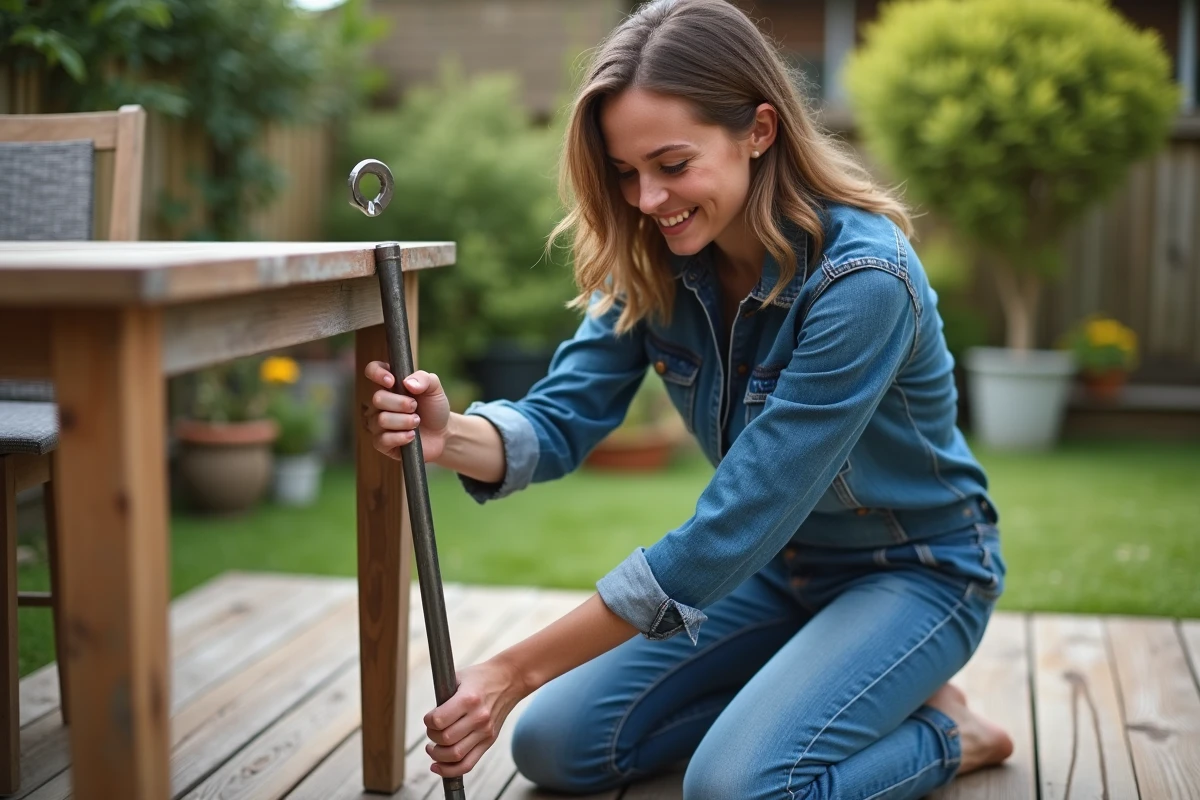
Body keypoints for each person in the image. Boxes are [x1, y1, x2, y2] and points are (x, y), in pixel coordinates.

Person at [364, 0, 1014, 796]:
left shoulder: (863, 284)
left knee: (736, 788)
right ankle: (813, 691)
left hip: (915, 573)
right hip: (780, 573)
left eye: (672, 165)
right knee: (554, 746)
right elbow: (561, 417)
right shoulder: (655, 260)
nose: (645, 199)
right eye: (625, 172)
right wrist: (449, 433)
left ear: (759, 131)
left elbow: (732, 528)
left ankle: (952, 732)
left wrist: (511, 669)